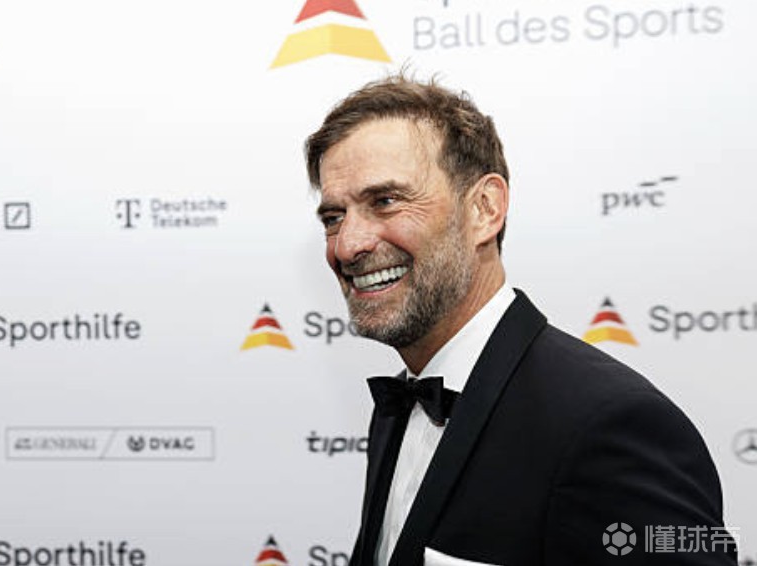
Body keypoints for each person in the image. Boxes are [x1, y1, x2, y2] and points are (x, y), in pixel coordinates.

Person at [304, 75, 738, 566]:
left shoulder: (607, 424)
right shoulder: (401, 404)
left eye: (385, 201)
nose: (348, 245)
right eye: (333, 217)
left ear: (484, 209)